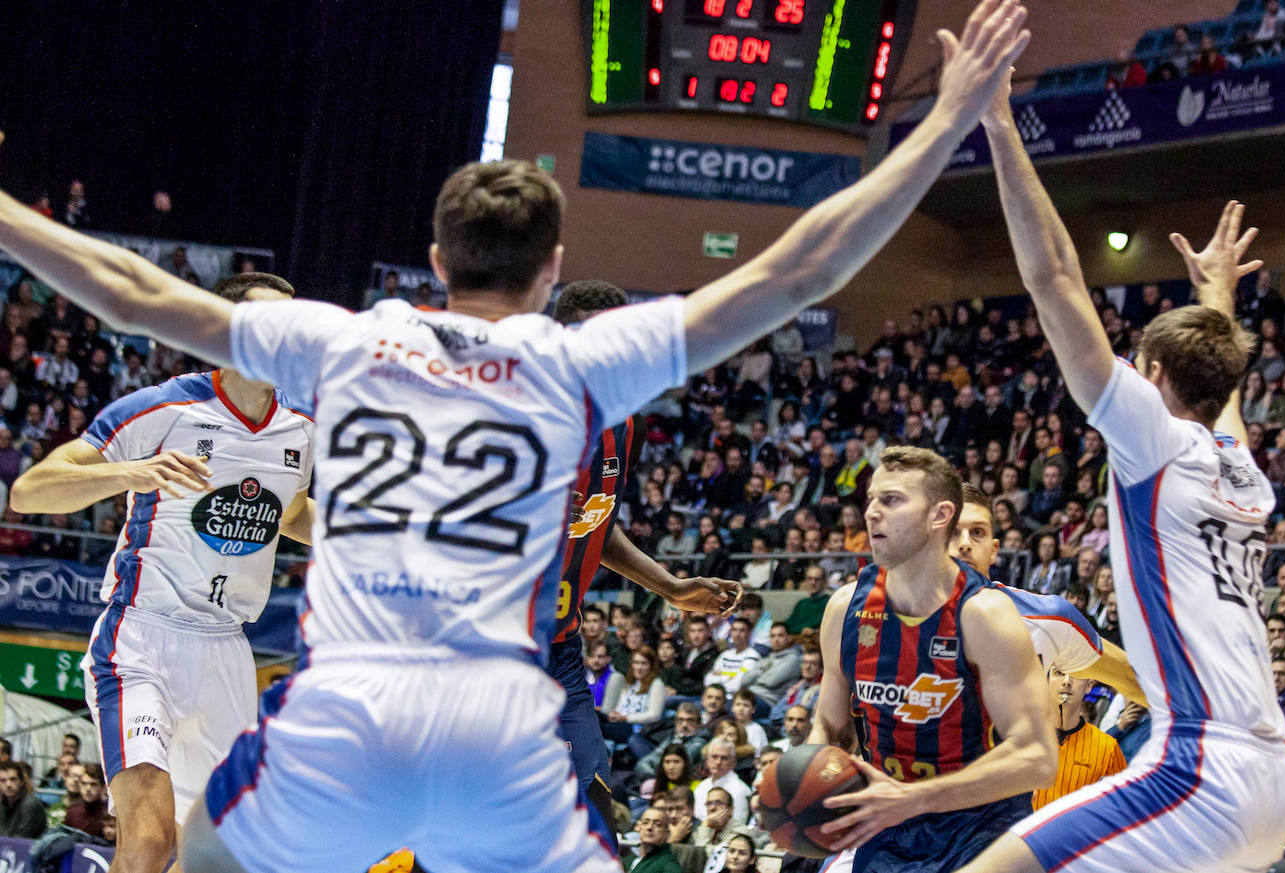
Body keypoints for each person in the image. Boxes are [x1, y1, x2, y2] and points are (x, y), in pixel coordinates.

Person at [0, 8, 1032, 868]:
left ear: (436, 256)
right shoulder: (578, 363)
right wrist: (947, 117)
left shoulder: (341, 342)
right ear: (553, 271)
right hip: (500, 733)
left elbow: (131, 291)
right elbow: (799, 271)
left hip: (346, 724)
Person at [961, 87, 1285, 872]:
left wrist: (999, 123)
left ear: (1148, 375)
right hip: (1272, 773)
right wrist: (1216, 297)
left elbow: (1053, 277)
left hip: (1199, 767)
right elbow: (1224, 388)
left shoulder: (1153, 439)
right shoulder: (1241, 467)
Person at [8, 272, 315, 873]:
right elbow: (29, 490)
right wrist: (131, 473)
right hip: (142, 636)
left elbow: (291, 511)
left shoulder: (300, 428)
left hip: (228, 649)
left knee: (214, 854)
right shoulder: (162, 407)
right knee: (148, 842)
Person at [808, 447, 1056, 873]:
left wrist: (911, 799)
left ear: (940, 515)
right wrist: (801, 786)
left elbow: (1037, 757)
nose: (871, 513)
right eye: (871, 499)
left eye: (891, 500)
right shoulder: (845, 608)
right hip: (885, 828)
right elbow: (829, 727)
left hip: (982, 828)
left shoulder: (986, 615)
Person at [550, 280, 741, 832]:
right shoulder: (517, 417)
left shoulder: (620, 425)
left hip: (559, 649)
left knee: (594, 813)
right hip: (487, 648)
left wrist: (672, 588)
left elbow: (597, 526)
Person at [952, 485, 1147, 706]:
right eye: (952, 532)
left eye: (977, 532)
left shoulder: (1050, 618)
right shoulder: (904, 621)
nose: (965, 544)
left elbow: (1136, 681)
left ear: (994, 549)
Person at [1030, 670, 1126, 811]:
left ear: (1089, 685)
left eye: (1077, 674)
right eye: (1059, 673)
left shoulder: (1108, 747)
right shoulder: (1021, 736)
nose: (1067, 681)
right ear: (1047, 681)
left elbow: (1123, 805)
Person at [693, 739, 752, 824]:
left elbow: (738, 824)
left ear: (734, 762)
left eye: (724, 758)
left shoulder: (740, 790)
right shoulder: (701, 787)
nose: (718, 762)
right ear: (707, 759)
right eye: (714, 757)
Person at [626, 807, 684, 873]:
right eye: (645, 822)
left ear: (667, 833)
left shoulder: (667, 863)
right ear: (638, 827)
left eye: (657, 825)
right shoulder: (629, 860)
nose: (650, 827)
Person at [0, 761, 46, 838]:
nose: (8, 785)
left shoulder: (31, 805)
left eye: (13, 779)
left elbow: (20, 840)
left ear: (21, 782)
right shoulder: (2, 804)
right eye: (3, 780)